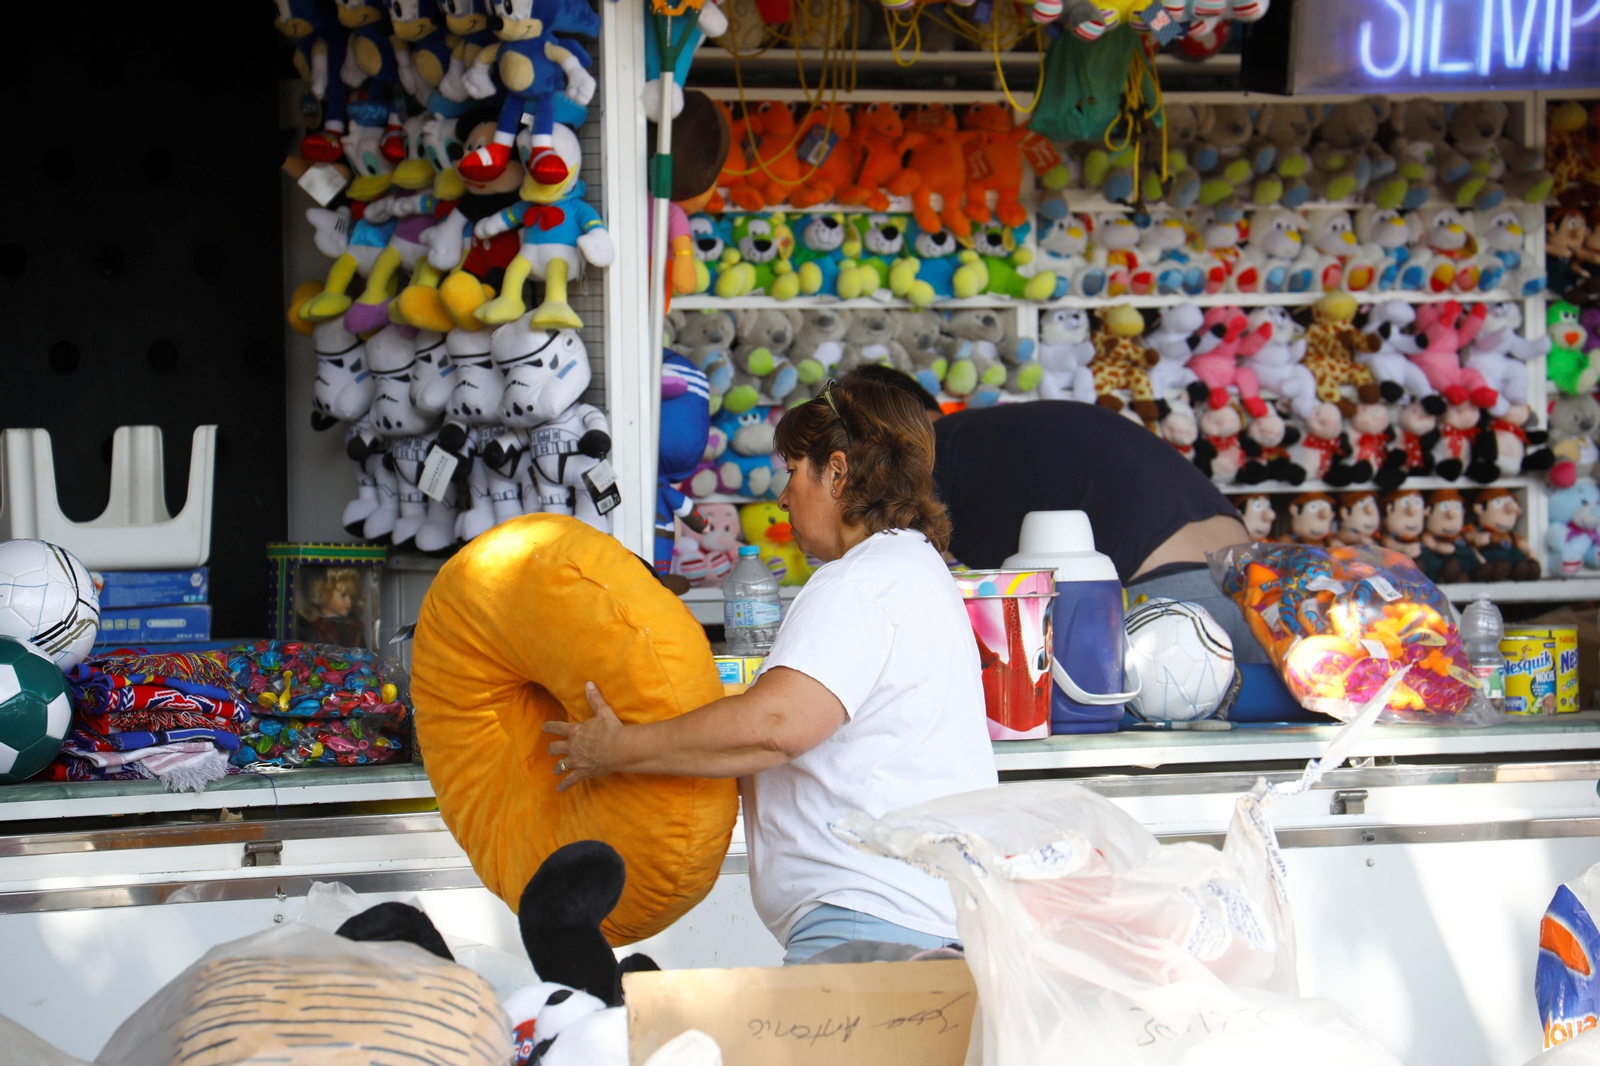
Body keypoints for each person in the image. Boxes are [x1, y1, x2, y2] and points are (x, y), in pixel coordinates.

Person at [545, 376, 997, 963]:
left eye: (791, 473)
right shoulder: (913, 569)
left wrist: (619, 748)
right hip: (914, 918)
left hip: (871, 919)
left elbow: (776, 725)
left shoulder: (859, 583)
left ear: (837, 472)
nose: (782, 498)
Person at [850, 366, 1266, 664]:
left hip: (1170, 601)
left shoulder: (933, 447)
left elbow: (892, 574)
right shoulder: (993, 438)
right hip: (1256, 585)